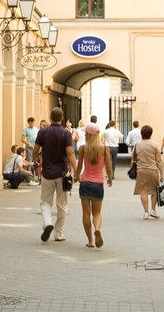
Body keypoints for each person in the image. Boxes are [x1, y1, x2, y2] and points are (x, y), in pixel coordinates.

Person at [33, 106, 78, 242]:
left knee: (45, 202)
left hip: (46, 173)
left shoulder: (43, 132)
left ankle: (48, 223)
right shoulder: (66, 134)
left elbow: (35, 150)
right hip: (62, 174)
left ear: (50, 117)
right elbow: (70, 153)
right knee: (62, 204)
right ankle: (58, 233)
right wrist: (75, 170)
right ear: (62, 118)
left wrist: (35, 161)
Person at [74, 121, 113, 248]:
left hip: (84, 183)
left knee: (86, 213)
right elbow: (108, 166)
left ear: (87, 135)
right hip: (98, 184)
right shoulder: (104, 148)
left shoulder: (83, 148)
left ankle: (90, 241)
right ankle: (97, 228)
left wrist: (75, 177)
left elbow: (79, 167)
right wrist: (110, 178)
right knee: (97, 213)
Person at [132, 124, 163, 219]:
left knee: (143, 191)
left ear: (141, 134)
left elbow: (133, 159)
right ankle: (153, 210)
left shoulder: (137, 145)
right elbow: (158, 161)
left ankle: (146, 212)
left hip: (141, 170)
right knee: (154, 191)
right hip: (153, 170)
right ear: (151, 134)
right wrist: (161, 173)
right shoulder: (155, 145)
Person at [21, 117, 40, 182]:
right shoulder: (25, 129)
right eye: (30, 123)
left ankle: (35, 177)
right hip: (29, 148)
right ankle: (29, 178)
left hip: (36, 147)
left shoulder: (37, 129)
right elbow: (22, 139)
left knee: (35, 162)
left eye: (33, 123)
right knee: (29, 162)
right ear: (28, 123)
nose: (32, 124)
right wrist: (28, 144)